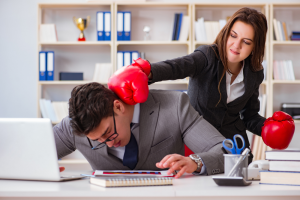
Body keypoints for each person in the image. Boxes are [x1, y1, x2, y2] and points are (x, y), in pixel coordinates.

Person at [108, 7, 295, 163]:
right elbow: (176, 67)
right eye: (233, 35)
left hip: (235, 147)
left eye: (246, 42)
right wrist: (145, 71)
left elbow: (249, 116)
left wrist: (267, 128)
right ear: (226, 32)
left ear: (255, 47)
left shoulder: (255, 73)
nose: (236, 45)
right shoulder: (207, 56)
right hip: (198, 142)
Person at [54, 82, 228, 178]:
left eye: (108, 133)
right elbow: (31, 153)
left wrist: (195, 162)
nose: (109, 144)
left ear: (118, 107)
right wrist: (43, 168)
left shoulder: (174, 106)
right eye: (97, 140)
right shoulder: (74, 127)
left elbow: (225, 150)